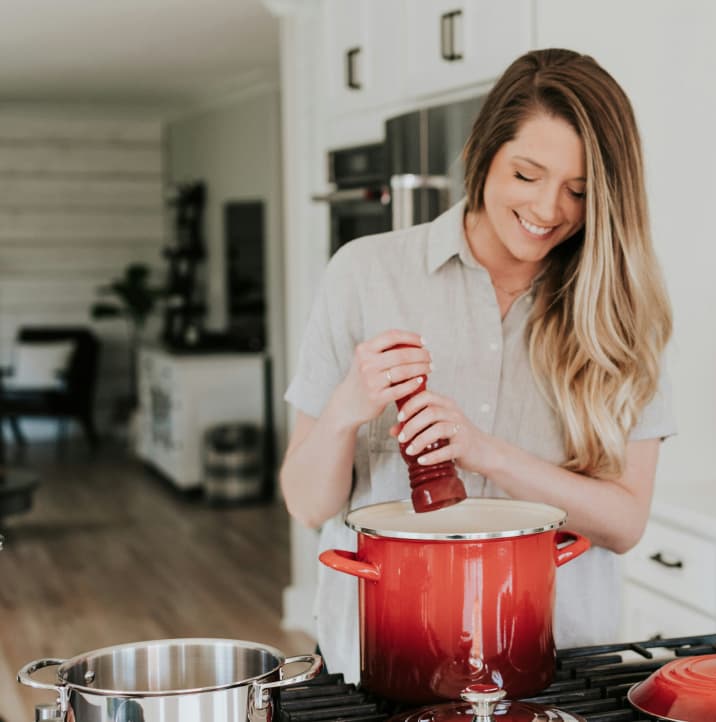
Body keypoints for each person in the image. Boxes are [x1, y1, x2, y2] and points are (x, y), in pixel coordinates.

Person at [280, 48, 675, 680]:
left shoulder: (621, 312)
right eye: (527, 174)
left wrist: (483, 451)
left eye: (579, 190)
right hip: (383, 661)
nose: (549, 209)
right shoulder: (365, 272)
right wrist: (344, 411)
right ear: (483, 154)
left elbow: (625, 522)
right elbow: (304, 502)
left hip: (557, 667)